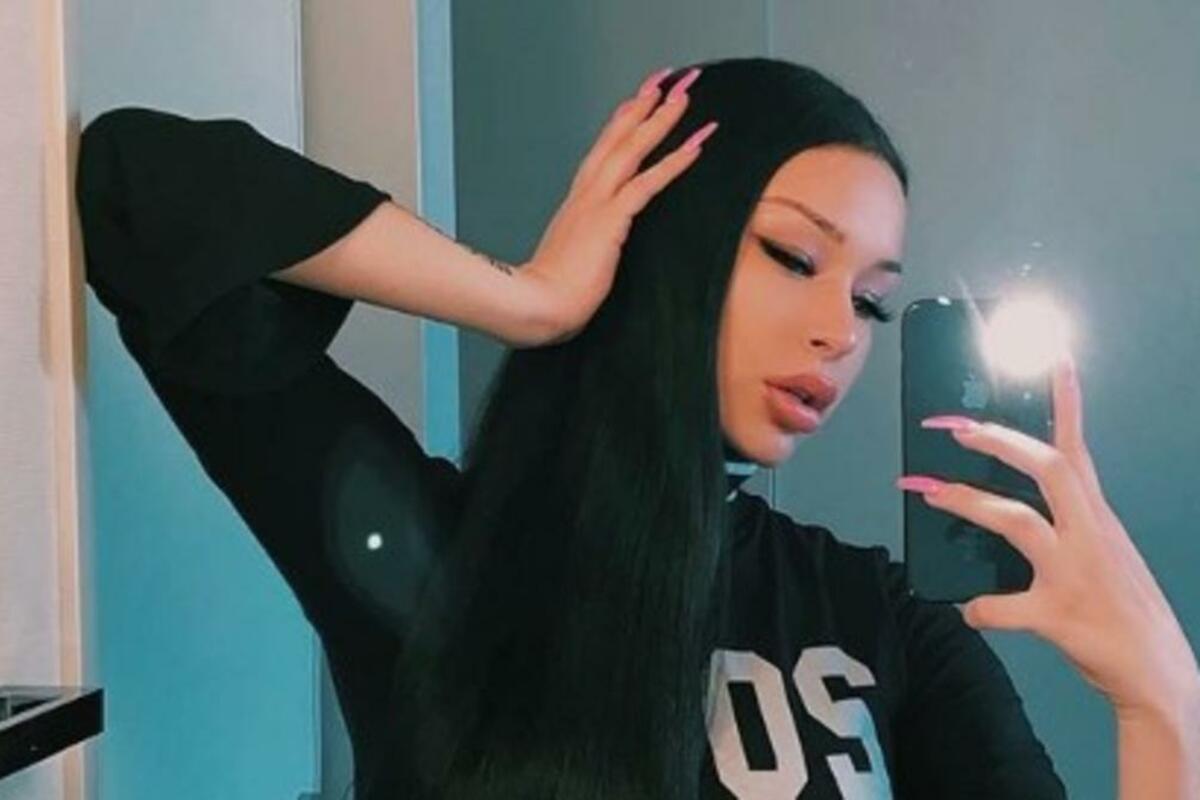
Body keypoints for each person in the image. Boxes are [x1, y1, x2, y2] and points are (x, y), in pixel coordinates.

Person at [75, 56, 1199, 799]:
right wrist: (529, 298)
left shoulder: (877, 616)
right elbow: (140, 189)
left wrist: (1161, 699)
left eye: (869, 302)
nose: (838, 333)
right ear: (665, 241)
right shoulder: (442, 566)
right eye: (794, 255)